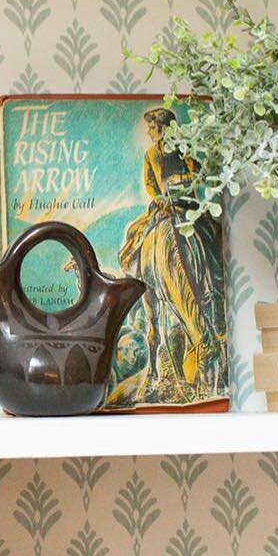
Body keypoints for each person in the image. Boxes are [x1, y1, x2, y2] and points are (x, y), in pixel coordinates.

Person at [108, 107, 225, 407]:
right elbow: (149, 183)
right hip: (162, 206)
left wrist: (181, 184)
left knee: (210, 233)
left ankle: (215, 280)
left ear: (166, 128)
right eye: (149, 129)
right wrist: (159, 195)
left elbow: (193, 172)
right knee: (137, 243)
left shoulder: (181, 148)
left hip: (185, 203)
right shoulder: (150, 155)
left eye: (155, 128)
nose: (151, 133)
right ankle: (140, 279)